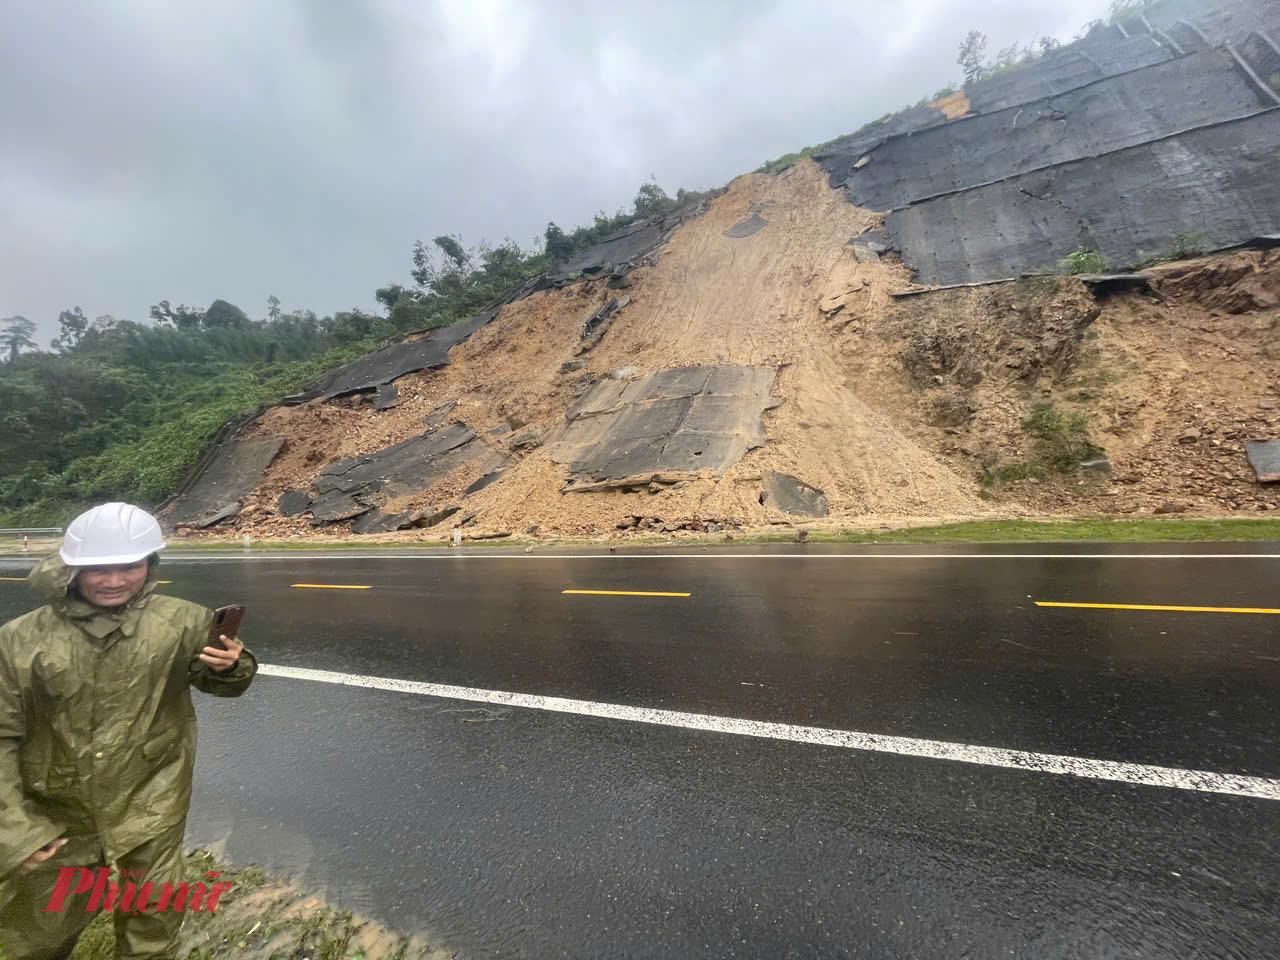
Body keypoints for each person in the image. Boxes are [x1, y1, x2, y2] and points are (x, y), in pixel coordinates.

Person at [0, 502, 257, 960]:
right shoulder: (19, 639)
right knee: (39, 932)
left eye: (129, 565)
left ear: (150, 565)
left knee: (153, 918)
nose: (114, 580)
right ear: (71, 567)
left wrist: (234, 666)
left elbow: (221, 683)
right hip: (59, 809)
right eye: (97, 567)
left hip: (152, 795)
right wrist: (16, 830)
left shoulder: (182, 620)